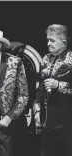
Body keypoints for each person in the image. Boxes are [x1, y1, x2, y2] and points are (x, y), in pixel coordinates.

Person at [33, 24, 72, 156]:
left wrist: (58, 85)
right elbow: (40, 86)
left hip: (66, 120)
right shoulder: (46, 59)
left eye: (53, 40)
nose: (48, 43)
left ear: (64, 42)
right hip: (47, 119)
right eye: (48, 40)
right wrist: (37, 108)